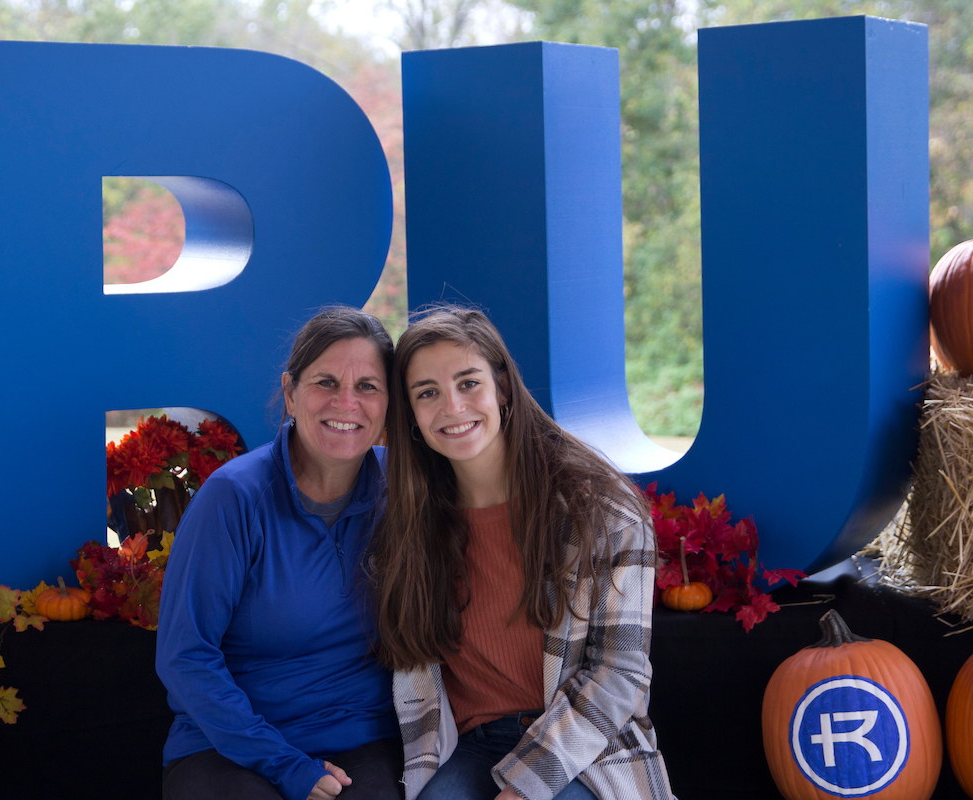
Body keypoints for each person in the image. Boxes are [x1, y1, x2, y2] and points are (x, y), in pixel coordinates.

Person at [370, 306, 675, 800]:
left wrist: (525, 787)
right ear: (411, 417)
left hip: (585, 747)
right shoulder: (409, 523)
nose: (451, 406)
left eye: (469, 383)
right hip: (474, 748)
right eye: (427, 393)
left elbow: (621, 672)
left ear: (503, 389)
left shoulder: (599, 508)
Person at [157, 306, 404, 800]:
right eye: (326, 382)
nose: (346, 402)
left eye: (368, 387)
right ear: (291, 394)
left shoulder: (403, 491)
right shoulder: (233, 498)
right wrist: (288, 765)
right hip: (228, 745)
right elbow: (186, 657)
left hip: (366, 741)